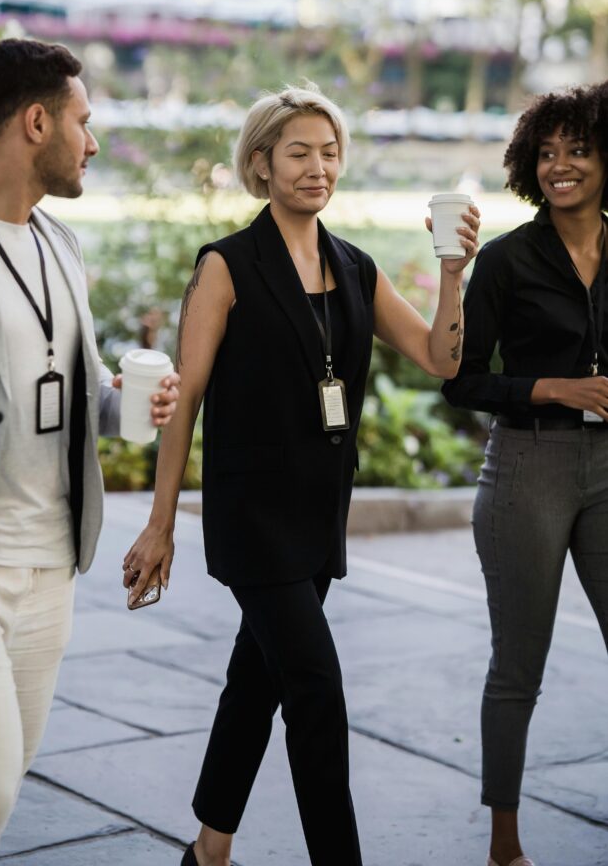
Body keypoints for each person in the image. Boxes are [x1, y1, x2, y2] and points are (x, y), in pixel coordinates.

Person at [123, 83, 480, 866]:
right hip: (252, 516)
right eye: (298, 153)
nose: (318, 167)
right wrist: (159, 522)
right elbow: (182, 402)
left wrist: (451, 269)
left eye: (328, 152)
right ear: (260, 165)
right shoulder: (226, 266)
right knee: (315, 687)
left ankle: (208, 851)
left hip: (318, 515)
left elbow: (438, 359)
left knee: (258, 680)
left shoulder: (353, 267)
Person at [0, 38, 179, 866]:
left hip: (49, 568)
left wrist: (123, 405)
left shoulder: (61, 246)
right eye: (84, 121)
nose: (93, 142)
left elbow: (73, 388)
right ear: (37, 123)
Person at [442, 83, 608, 866]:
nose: (559, 166)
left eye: (577, 150)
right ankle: (503, 843)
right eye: (546, 153)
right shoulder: (507, 262)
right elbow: (461, 381)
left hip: (607, 468)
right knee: (519, 664)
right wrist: (552, 387)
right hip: (527, 467)